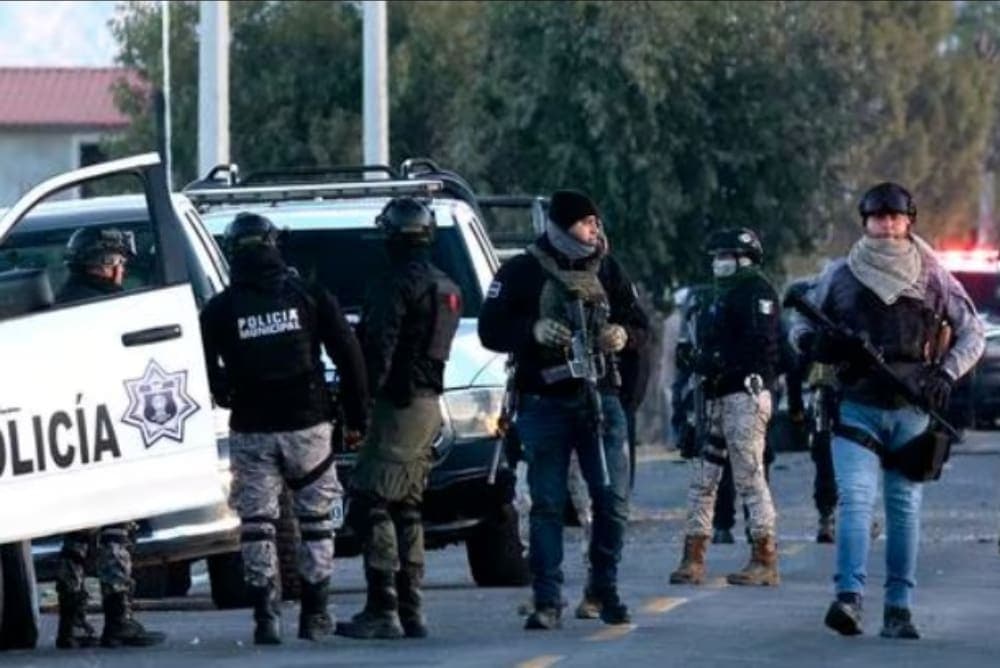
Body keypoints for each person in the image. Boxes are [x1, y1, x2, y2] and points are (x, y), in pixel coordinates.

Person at [790, 182, 984, 639]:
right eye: (878, 217)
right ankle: (849, 598)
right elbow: (799, 322)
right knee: (855, 501)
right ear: (866, 222)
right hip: (856, 405)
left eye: (895, 217)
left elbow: (972, 331)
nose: (888, 225)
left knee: (903, 509)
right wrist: (815, 344)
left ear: (909, 221)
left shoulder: (933, 273)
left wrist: (946, 375)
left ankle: (899, 609)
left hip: (912, 407)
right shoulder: (839, 273)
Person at [478, 189, 650, 630]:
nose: (594, 229)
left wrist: (621, 336)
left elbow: (639, 325)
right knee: (547, 504)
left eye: (596, 221)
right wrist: (532, 330)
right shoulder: (522, 270)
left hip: (601, 400)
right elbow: (490, 328)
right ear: (561, 225)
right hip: (544, 401)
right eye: (585, 221)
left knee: (611, 502)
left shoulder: (608, 269)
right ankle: (547, 599)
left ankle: (604, 588)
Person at [200, 212, 369, 645]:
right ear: (274, 244)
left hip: (251, 427)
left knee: (257, 521)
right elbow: (349, 355)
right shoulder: (309, 294)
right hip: (307, 424)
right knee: (316, 519)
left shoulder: (220, 309)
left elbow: (203, 368)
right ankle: (315, 613)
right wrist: (357, 417)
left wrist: (224, 391)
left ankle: (265, 616)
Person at [336, 197, 462, 640]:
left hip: (398, 406)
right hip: (429, 404)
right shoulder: (446, 285)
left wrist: (358, 406)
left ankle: (384, 607)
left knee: (370, 500)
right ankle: (411, 609)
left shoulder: (394, 284)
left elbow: (379, 350)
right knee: (407, 506)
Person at [55, 227, 165, 649]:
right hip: (110, 427)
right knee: (116, 523)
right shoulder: (111, 309)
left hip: (71, 432)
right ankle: (119, 617)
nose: (122, 271)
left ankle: (72, 620)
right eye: (119, 262)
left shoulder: (59, 305)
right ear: (105, 264)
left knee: (77, 529)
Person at [669, 227, 782, 587]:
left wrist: (716, 361)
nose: (719, 263)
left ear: (745, 259)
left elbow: (759, 346)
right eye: (716, 257)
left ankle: (764, 557)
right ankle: (693, 557)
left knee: (749, 475)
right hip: (712, 396)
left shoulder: (757, 292)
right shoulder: (713, 296)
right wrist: (694, 359)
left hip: (744, 393)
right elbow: (704, 342)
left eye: (726, 256)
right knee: (702, 477)